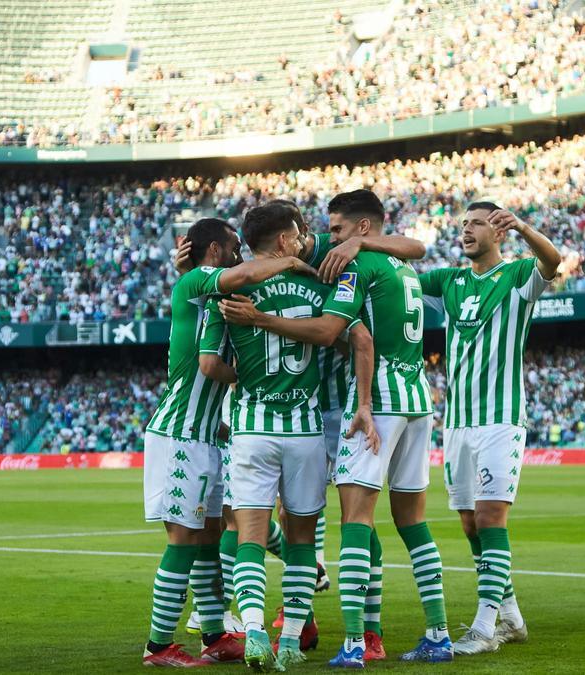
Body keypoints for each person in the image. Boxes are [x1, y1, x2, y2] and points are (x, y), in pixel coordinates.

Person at [220, 189, 452, 667]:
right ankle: (305, 614)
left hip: (339, 405)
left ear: (360, 229)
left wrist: (358, 247)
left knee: (347, 518)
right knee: (309, 516)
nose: (325, 238)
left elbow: (411, 249)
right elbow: (412, 252)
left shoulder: (344, 257)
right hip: (372, 400)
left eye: (336, 230)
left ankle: (363, 632)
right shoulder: (321, 257)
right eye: (319, 231)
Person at [198, 203, 377, 671]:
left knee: (250, 538)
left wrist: (244, 376)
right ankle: (293, 640)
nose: (303, 244)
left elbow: (210, 365)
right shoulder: (319, 284)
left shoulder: (229, 292)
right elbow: (348, 335)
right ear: (283, 241)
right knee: (301, 541)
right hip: (304, 432)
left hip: (252, 429)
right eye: (298, 237)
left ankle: (255, 630)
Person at [140, 217, 314, 667]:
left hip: (204, 435)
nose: (241, 254)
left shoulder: (203, 290)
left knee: (209, 536)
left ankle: (215, 634)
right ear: (214, 252)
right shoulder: (201, 281)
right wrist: (292, 259)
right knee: (183, 539)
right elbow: (210, 364)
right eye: (234, 247)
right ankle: (158, 646)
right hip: (180, 434)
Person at [416, 202, 559, 654]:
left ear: (497, 230)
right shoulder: (450, 281)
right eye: (462, 225)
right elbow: (400, 282)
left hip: (500, 418)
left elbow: (552, 262)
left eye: (475, 223)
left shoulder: (517, 276)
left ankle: (482, 628)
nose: (466, 231)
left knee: (490, 517)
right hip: (457, 421)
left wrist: (523, 227)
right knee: (469, 524)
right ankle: (511, 616)